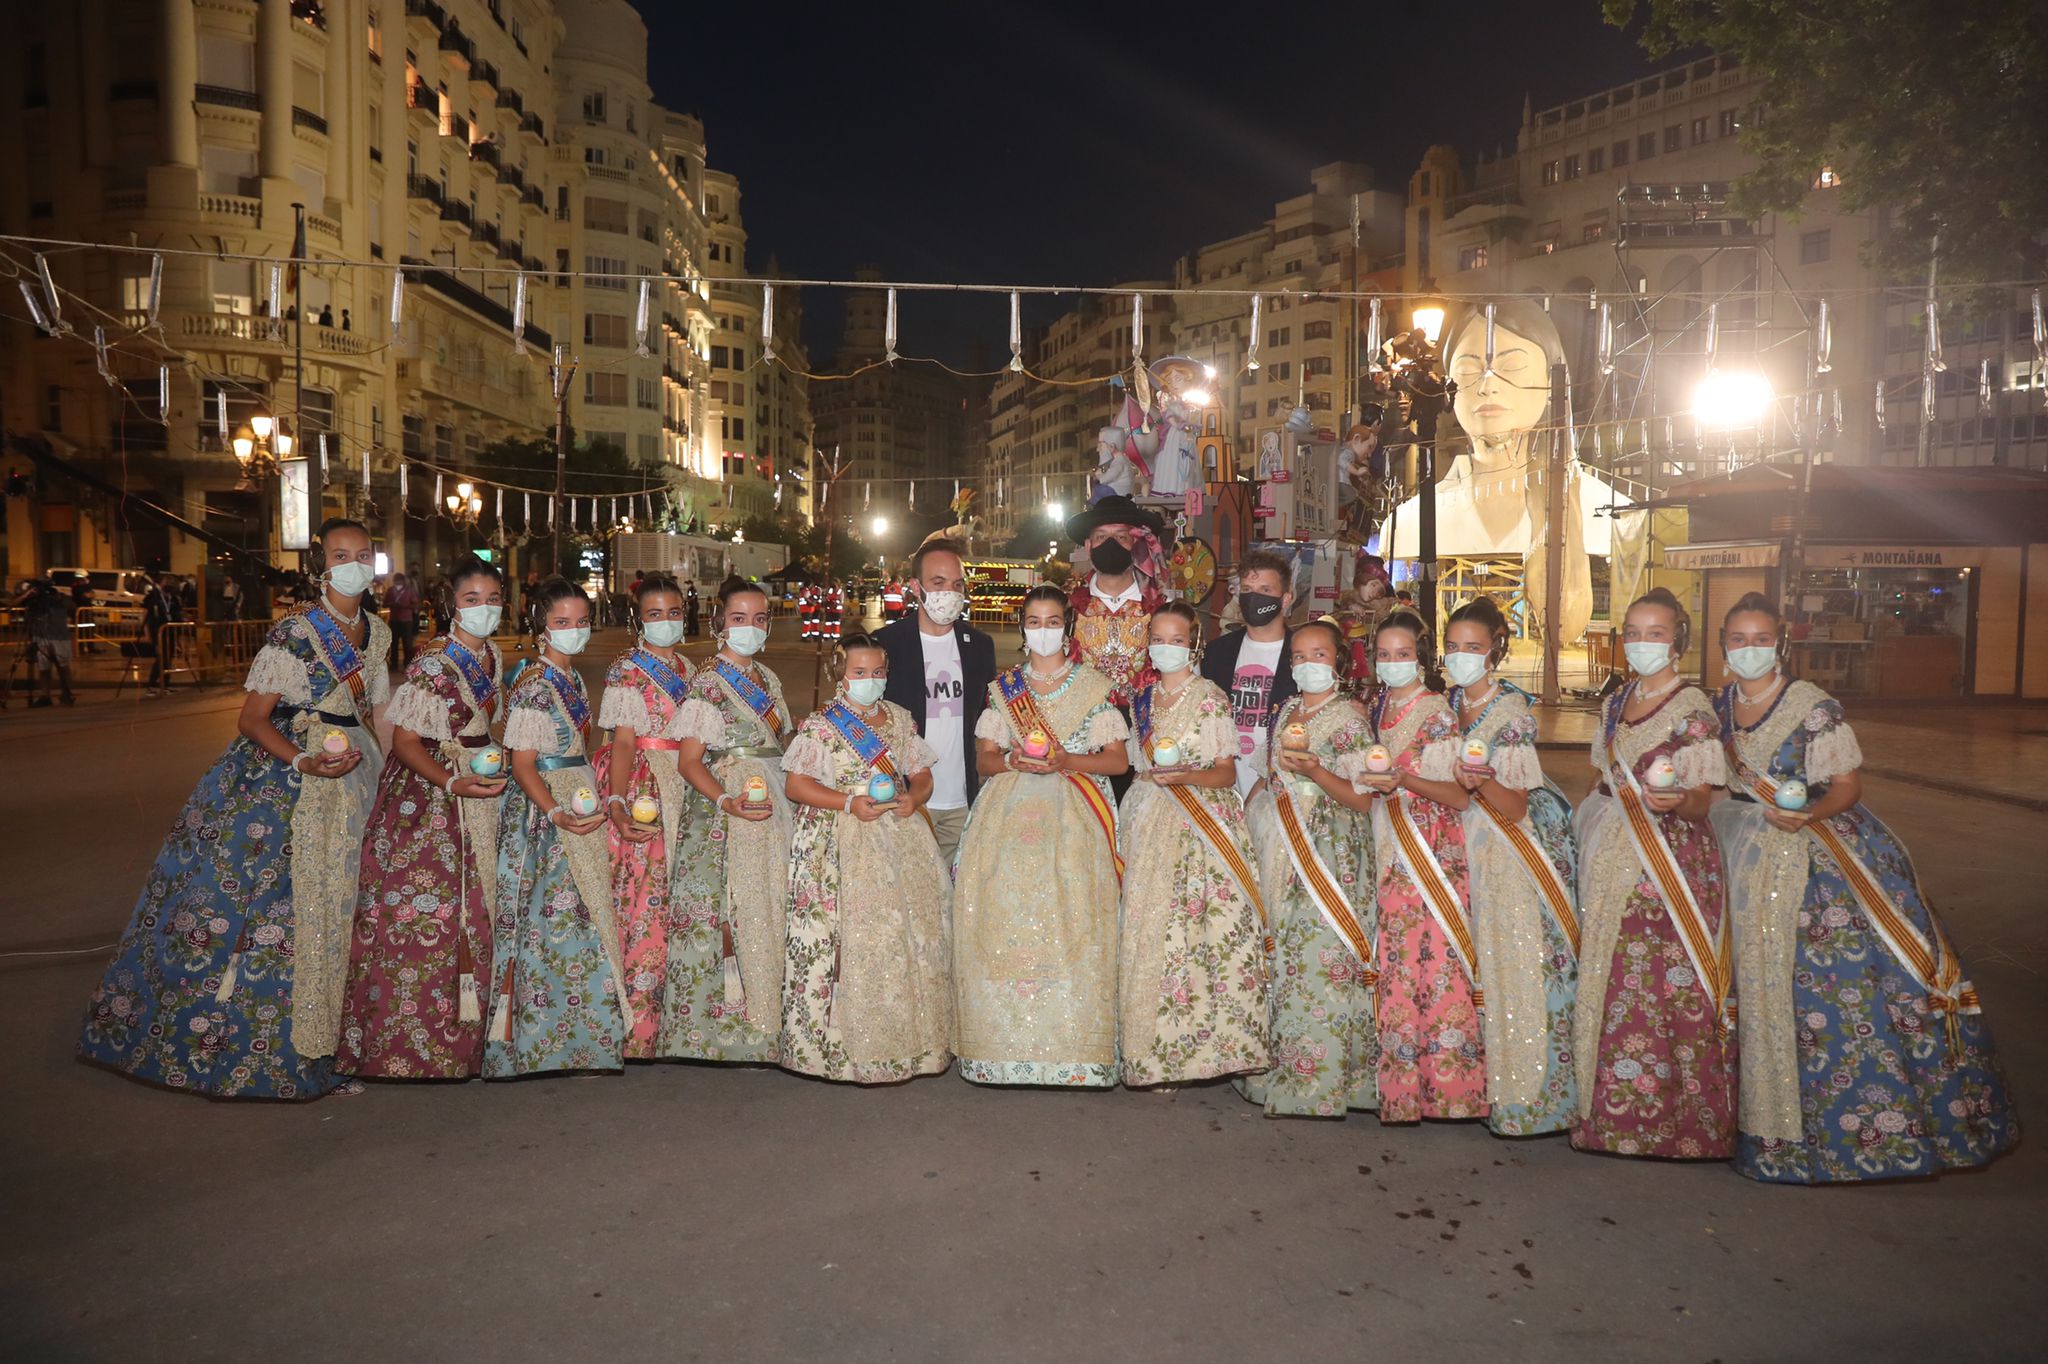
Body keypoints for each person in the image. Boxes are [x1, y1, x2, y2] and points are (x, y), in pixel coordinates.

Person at [1710, 592, 2016, 1183]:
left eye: (1760, 639)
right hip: (1738, 841)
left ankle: (1843, 1130)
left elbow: (1847, 785)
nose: (1749, 650)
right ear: (1724, 644)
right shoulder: (1716, 706)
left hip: (1811, 843)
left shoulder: (1812, 706)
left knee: (1823, 985)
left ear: (1782, 643)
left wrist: (1811, 816)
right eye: (1738, 639)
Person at [80, 518, 390, 1098]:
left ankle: (336, 1046)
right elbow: (251, 720)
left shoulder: (377, 631)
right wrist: (301, 760)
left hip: (354, 777)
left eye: (363, 554)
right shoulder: (294, 632)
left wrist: (386, 772)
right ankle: (264, 1055)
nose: (353, 563)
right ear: (320, 564)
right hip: (284, 783)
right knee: (276, 915)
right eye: (340, 554)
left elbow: (371, 711)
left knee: (343, 914)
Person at [1572, 587, 1736, 1159]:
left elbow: (1702, 798)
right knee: (1611, 979)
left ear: (1679, 642)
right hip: (1611, 849)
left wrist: (1673, 804)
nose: (1642, 644)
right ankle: (1609, 1114)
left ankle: (1676, 1122)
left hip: (1667, 864)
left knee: (1663, 986)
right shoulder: (1616, 701)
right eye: (1634, 634)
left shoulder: (1692, 708)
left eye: (1656, 634)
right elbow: (1601, 779)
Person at [337, 554, 509, 1080]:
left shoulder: (493, 656)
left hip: (482, 784)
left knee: (486, 915)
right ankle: (416, 1047)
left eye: (493, 600)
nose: (484, 610)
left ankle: (479, 1043)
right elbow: (406, 742)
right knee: (431, 917)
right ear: (449, 606)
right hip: (432, 796)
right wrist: (451, 780)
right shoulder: (433, 663)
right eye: (471, 601)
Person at [952, 586, 1130, 1086]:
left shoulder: (1094, 688)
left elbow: (1117, 761)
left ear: (1068, 629)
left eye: (1054, 621)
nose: (1044, 629)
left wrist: (1067, 760)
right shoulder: (1003, 689)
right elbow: (985, 760)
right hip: (1007, 817)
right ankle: (998, 1053)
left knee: (1075, 915)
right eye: (1034, 620)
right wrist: (1011, 758)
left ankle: (1077, 1055)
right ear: (1022, 626)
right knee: (1001, 913)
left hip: (1075, 816)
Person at [779, 632, 955, 1083]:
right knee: (855, 938)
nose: (869, 681)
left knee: (910, 938)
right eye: (859, 673)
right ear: (841, 674)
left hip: (900, 836)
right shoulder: (822, 725)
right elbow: (796, 786)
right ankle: (845, 1049)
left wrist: (914, 799)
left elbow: (922, 776)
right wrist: (845, 802)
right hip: (842, 836)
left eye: (878, 672)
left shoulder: (899, 718)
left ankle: (913, 1044)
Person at [1444, 596, 1580, 1136]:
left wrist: (1480, 784)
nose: (1461, 657)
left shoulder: (1512, 712)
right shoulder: (1448, 703)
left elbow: (1518, 803)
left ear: (1495, 651)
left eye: (1472, 648)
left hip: (1508, 847)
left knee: (1515, 965)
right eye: (1453, 648)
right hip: (1463, 840)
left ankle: (1525, 1098)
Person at [1117, 601, 1270, 1087]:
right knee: (1149, 935)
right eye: (1157, 639)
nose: (1165, 647)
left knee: (1199, 937)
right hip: (1147, 818)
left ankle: (1208, 1052)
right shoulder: (1141, 700)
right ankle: (1152, 1054)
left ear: (1194, 645)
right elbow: (1131, 766)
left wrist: (1185, 774)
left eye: (1177, 640)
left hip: (1200, 825)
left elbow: (1225, 771)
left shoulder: (1210, 697)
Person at [1234, 618, 1379, 1118]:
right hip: (1278, 843)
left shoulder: (1350, 719)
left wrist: (1317, 770)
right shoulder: (1286, 709)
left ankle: (1322, 1080)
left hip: (1329, 850)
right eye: (1298, 656)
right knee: (1280, 960)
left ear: (1338, 661)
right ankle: (1276, 1070)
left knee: (1320, 961)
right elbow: (1269, 776)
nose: (1307, 664)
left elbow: (1362, 801)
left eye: (1319, 655)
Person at [487, 577, 629, 1077]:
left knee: (583, 917)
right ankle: (542, 1042)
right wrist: (554, 812)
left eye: (582, 622)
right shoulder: (534, 684)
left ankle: (582, 1036)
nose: (574, 631)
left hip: (577, 793)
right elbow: (522, 763)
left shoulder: (568, 678)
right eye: (562, 623)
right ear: (540, 625)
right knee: (554, 920)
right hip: (546, 813)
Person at [1351, 609, 1485, 1124]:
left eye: (1403, 655)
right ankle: (1403, 1088)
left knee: (1433, 964)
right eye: (1383, 655)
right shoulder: (1377, 706)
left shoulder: (1436, 713)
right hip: (1388, 840)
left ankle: (1448, 1089)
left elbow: (1457, 794)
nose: (1392, 663)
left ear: (1421, 658)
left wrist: (1402, 779)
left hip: (1428, 846)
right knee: (1398, 967)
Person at [660, 576, 794, 1063]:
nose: (750, 628)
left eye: (759, 619)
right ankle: (735, 1032)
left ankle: (775, 1020)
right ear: (720, 624)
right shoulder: (707, 683)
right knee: (739, 909)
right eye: (740, 619)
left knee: (774, 903)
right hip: (730, 809)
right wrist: (725, 801)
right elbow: (690, 761)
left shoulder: (768, 678)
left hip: (774, 798)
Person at [593, 572, 695, 1060]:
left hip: (687, 781)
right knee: (642, 905)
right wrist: (615, 801)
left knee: (681, 903)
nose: (666, 622)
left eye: (674, 613)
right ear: (638, 620)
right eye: (655, 614)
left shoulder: (690, 667)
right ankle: (636, 1028)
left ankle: (675, 1022)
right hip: (644, 786)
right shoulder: (626, 671)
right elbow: (624, 741)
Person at [876, 538, 996, 868]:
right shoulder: (886, 645)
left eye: (957, 584)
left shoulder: (980, 646)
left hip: (962, 801)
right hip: (904, 800)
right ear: (916, 587)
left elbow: (988, 720)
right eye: (938, 583)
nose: (950, 593)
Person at [1201, 550, 1297, 799]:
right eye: (1246, 589)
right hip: (1225, 784)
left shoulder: (1302, 654)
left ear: (1286, 599)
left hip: (1281, 789)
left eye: (1265, 590)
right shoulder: (1215, 653)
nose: (1253, 597)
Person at [1063, 494, 1167, 714]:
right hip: (1082, 731)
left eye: (1121, 537)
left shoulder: (1159, 608)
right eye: (1101, 537)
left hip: (1146, 731)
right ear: (1089, 546)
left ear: (1136, 544)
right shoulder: (1069, 609)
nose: (1111, 544)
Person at [14, 575, 76, 707]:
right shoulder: (33, 599)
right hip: (41, 636)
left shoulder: (59, 597)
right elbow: (13, 604)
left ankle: (66, 693)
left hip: (59, 637)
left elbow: (71, 608)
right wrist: (27, 595)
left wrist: (58, 598)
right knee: (44, 668)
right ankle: (45, 696)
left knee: (63, 667)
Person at [141, 572, 178, 697]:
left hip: (170, 631)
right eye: (167, 582)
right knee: (161, 658)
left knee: (169, 658)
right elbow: (145, 615)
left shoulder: (171, 597)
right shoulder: (154, 596)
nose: (170, 584)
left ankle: (166, 685)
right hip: (158, 631)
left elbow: (176, 613)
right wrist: (147, 633)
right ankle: (151, 685)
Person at [384, 567, 420, 668]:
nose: (397, 582)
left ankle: (407, 663)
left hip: (406, 620)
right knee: (394, 643)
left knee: (407, 643)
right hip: (394, 619)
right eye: (396, 580)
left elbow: (416, 605)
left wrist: (405, 606)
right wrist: (392, 604)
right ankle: (394, 663)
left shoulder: (409, 590)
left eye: (399, 580)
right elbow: (384, 604)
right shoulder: (391, 590)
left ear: (403, 581)